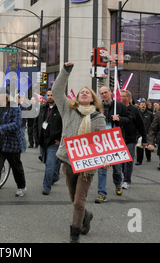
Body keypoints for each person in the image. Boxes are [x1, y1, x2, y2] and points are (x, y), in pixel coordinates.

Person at [51, 62, 108, 243]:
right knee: (72, 197)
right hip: (68, 161)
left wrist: (105, 159)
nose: (84, 93)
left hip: (88, 164)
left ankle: (74, 234)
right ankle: (86, 215)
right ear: (76, 97)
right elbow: (57, 90)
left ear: (92, 99)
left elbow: (103, 142)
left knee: (78, 201)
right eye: (81, 92)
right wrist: (66, 71)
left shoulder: (98, 118)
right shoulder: (68, 110)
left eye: (88, 93)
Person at [96, 86, 131, 203]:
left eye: (106, 92)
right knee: (102, 168)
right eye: (101, 93)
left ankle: (117, 184)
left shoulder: (119, 106)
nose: (104, 95)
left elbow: (129, 120)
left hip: (115, 141)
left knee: (117, 168)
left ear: (110, 93)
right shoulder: (98, 107)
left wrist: (119, 119)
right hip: (101, 141)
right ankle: (101, 193)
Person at [34, 88, 62, 195]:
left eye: (52, 95)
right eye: (48, 95)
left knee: (50, 164)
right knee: (46, 162)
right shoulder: (42, 108)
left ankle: (46, 186)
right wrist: (36, 139)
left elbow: (64, 125)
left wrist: (59, 140)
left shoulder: (60, 109)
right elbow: (36, 124)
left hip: (53, 142)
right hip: (42, 141)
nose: (50, 97)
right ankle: (54, 176)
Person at [120, 90, 147, 189]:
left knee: (128, 160)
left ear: (128, 98)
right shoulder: (117, 108)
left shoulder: (135, 110)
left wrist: (144, 139)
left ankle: (127, 180)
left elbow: (141, 125)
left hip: (130, 139)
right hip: (118, 139)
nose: (120, 97)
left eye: (122, 96)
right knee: (121, 161)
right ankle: (122, 176)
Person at [136, 99, 154, 165]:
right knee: (139, 146)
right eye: (142, 104)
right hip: (139, 133)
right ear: (139, 105)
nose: (143, 106)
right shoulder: (137, 113)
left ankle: (148, 157)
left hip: (148, 132)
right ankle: (139, 160)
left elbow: (153, 123)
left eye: (144, 104)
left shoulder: (150, 114)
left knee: (147, 146)